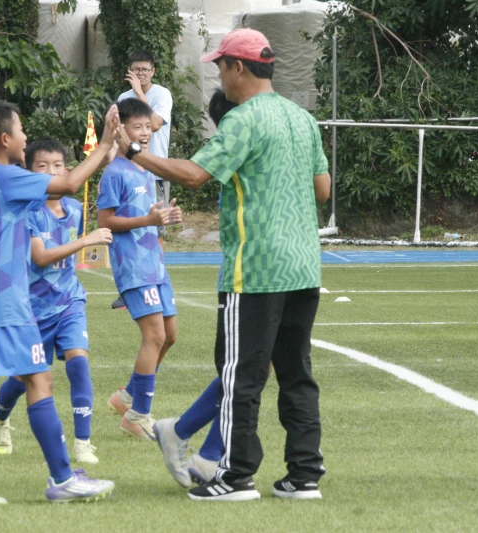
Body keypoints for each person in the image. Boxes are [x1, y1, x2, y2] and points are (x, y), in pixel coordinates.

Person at [113, 28, 332, 501]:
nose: (219, 76)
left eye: (219, 66)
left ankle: (233, 477)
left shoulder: (244, 119)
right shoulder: (303, 118)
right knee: (296, 372)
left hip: (254, 270)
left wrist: (133, 152)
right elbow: (322, 190)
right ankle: (304, 475)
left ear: (238, 67)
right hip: (303, 267)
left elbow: (194, 175)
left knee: (239, 377)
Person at [0, 100, 117, 505]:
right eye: (20, 130)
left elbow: (60, 195)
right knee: (40, 380)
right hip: (4, 299)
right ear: (5, 139)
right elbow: (69, 185)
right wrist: (104, 145)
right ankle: (63, 478)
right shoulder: (6, 176)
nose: (25, 137)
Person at [0, 139, 113, 465]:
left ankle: (83, 442)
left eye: (57, 166)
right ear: (29, 175)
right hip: (33, 309)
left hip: (69, 299)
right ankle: (0, 416)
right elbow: (41, 257)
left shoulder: (74, 209)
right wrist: (86, 241)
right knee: (22, 380)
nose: (51, 172)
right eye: (42, 167)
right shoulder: (27, 211)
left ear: (67, 170)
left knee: (78, 363)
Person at [154, 89, 238, 489]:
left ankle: (193, 441)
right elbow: (192, 175)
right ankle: (203, 451)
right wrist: (133, 151)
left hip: (272, 276)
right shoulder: (236, 144)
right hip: (248, 278)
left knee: (251, 370)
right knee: (244, 372)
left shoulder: (249, 144)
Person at [98, 98, 182, 442]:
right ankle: (137, 416)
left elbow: (148, 216)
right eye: (138, 127)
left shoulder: (144, 169)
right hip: (133, 267)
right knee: (155, 337)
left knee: (170, 335)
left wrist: (164, 218)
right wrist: (147, 220)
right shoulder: (114, 172)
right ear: (120, 131)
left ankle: (128, 396)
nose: (145, 133)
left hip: (155, 265)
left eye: (148, 127)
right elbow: (105, 222)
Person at [111, 50, 173, 310]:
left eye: (145, 70)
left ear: (153, 71)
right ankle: (128, 289)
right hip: (128, 172)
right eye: (135, 70)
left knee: (156, 230)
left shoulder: (161, 94)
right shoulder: (122, 98)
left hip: (155, 172)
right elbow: (116, 135)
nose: (140, 74)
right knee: (128, 230)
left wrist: (139, 92)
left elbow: (155, 124)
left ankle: (155, 282)